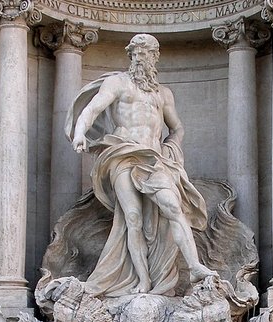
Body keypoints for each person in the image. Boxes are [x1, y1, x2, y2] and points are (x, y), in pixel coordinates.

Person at [67, 33, 216, 297]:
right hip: (122, 154)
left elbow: (177, 127)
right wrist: (80, 132)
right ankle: (143, 281)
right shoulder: (118, 83)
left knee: (173, 206)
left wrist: (172, 147)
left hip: (154, 158)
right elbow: (92, 109)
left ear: (155, 57)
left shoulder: (163, 94)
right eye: (135, 53)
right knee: (132, 218)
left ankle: (194, 267)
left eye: (145, 53)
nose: (139, 57)